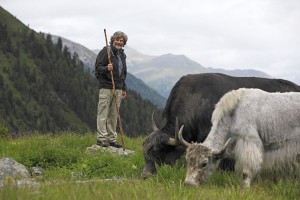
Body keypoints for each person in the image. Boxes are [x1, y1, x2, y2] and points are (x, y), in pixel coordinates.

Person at [94, 31, 128, 148]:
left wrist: (123, 88)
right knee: (103, 113)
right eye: (117, 39)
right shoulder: (106, 52)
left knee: (114, 114)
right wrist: (106, 68)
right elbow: (97, 68)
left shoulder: (122, 55)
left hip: (117, 88)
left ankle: (111, 139)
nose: (119, 42)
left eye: (121, 40)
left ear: (123, 43)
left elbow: (123, 73)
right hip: (106, 87)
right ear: (113, 40)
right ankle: (102, 139)